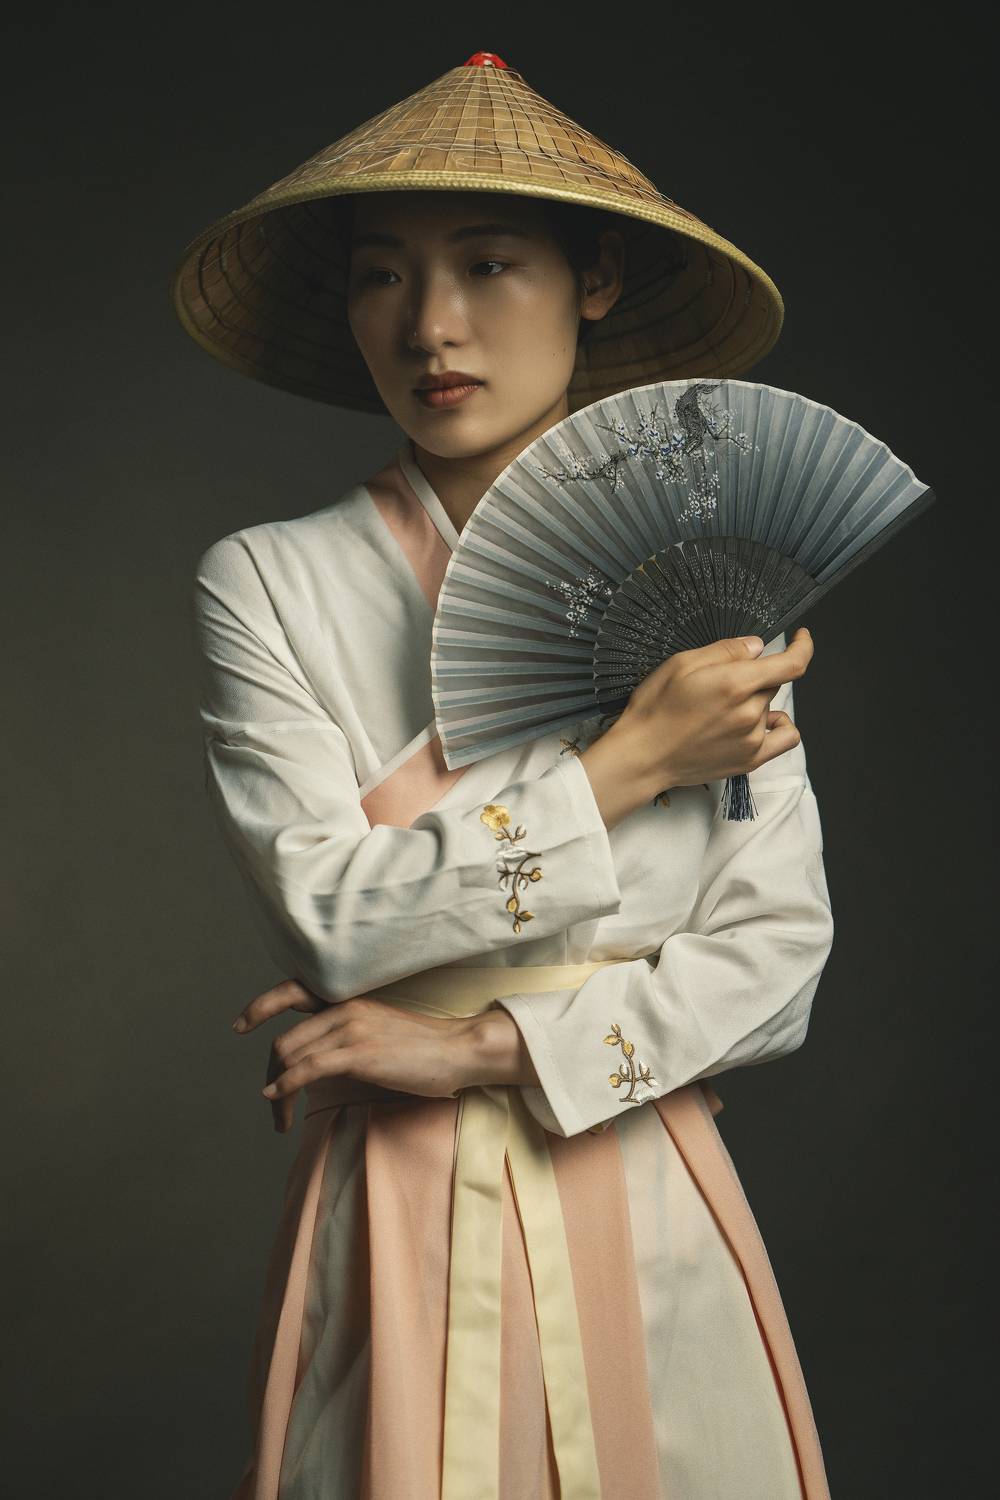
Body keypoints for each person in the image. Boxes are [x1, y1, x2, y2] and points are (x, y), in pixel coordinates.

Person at [179, 53, 835, 1500]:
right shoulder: (273, 583)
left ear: (594, 279)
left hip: (644, 1184)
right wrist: (621, 769)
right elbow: (333, 920)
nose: (431, 326)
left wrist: (473, 1047)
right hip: (396, 1206)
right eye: (382, 277)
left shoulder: (712, 589)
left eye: (489, 264)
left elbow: (776, 956)